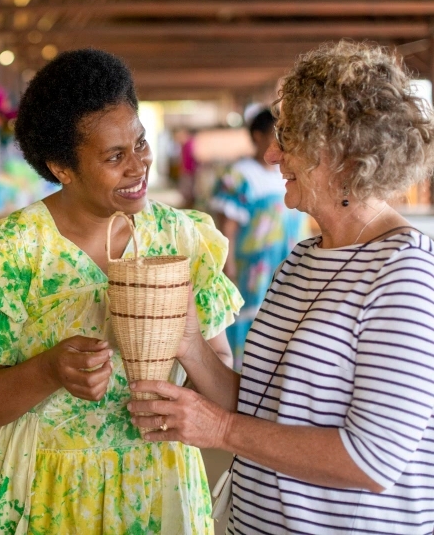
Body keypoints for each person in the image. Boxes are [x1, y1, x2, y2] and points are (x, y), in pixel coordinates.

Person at [0, 48, 243, 535]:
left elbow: (224, 393)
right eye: (114, 156)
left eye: (140, 143)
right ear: (61, 168)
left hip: (155, 491)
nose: (137, 166)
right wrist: (47, 370)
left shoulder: (181, 240)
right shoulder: (8, 252)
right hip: (32, 493)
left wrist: (191, 348)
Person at [129, 40, 434, 534]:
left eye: (289, 137)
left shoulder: (403, 274)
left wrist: (220, 430)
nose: (272, 154)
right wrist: (186, 338)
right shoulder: (303, 259)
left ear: (342, 152)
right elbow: (261, 406)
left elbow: (371, 459)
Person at [210, 108, 308, 370]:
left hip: (285, 262)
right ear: (257, 136)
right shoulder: (239, 175)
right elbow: (226, 227)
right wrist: (227, 266)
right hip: (250, 268)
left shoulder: (287, 174)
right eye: (274, 135)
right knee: (248, 316)